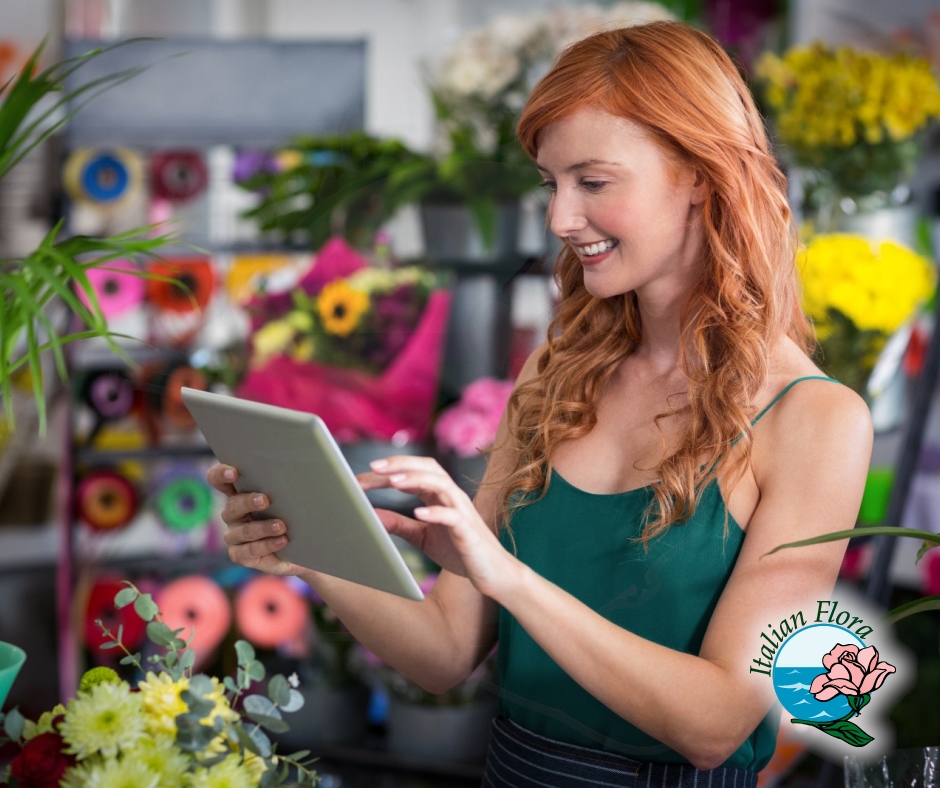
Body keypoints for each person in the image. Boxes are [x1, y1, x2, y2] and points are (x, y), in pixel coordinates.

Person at [208, 20, 873, 787]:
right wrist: (305, 543)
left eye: (592, 182)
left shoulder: (815, 420)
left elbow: (717, 723)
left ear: (699, 173)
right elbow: (442, 654)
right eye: (552, 184)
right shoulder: (556, 376)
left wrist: (509, 577)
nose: (560, 219)